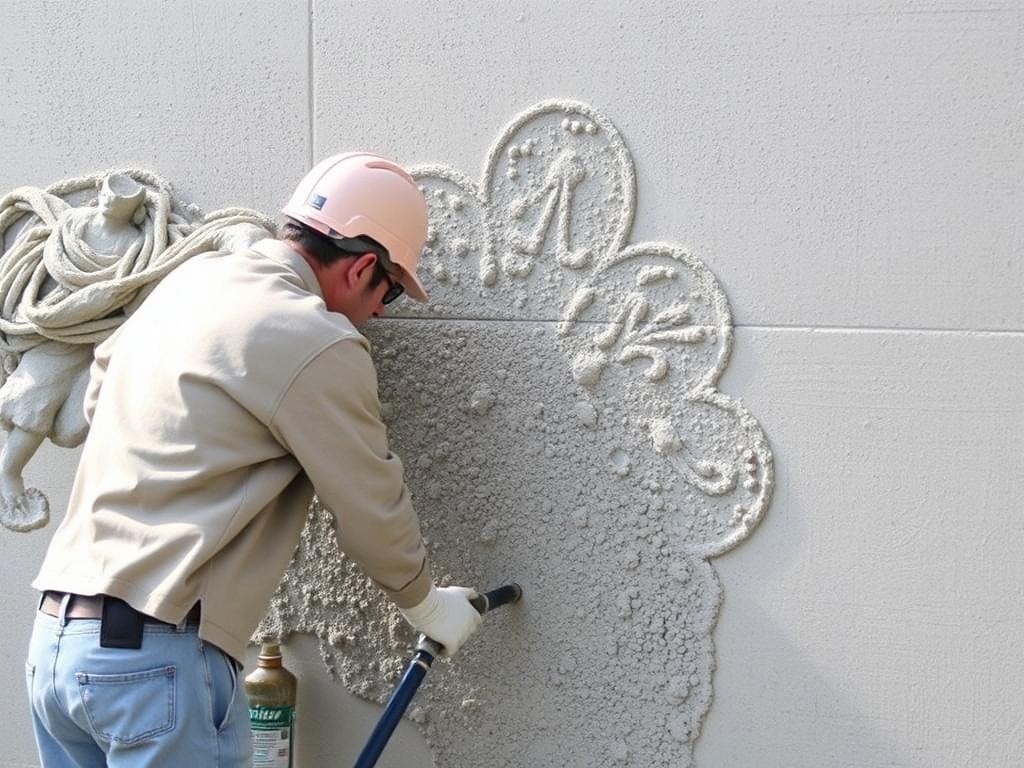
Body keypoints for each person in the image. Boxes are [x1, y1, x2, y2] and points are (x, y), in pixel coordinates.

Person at [24, 152, 483, 767]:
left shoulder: (189, 282)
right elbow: (370, 504)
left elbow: (101, 388)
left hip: (57, 644)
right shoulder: (317, 339)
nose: (379, 312)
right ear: (362, 267)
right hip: (153, 663)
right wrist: (425, 603)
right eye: (392, 291)